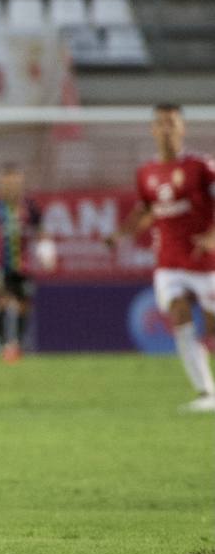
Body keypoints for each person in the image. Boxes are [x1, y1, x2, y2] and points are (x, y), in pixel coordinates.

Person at [107, 104, 215, 413]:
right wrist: (121, 234)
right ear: (153, 130)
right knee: (179, 315)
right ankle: (206, 393)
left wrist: (211, 236)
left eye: (172, 123)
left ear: (183, 128)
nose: (166, 128)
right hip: (168, 262)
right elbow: (145, 209)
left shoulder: (201, 166)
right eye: (161, 123)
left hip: (204, 261)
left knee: (211, 328)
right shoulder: (146, 173)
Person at [0, 164, 56, 363]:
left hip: (24, 265)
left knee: (23, 305)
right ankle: (3, 345)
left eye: (16, 182)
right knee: (1, 301)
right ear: (1, 184)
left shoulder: (31, 206)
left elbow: (41, 232)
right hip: (0, 264)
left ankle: (18, 345)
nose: (12, 187)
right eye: (8, 183)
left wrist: (47, 253)